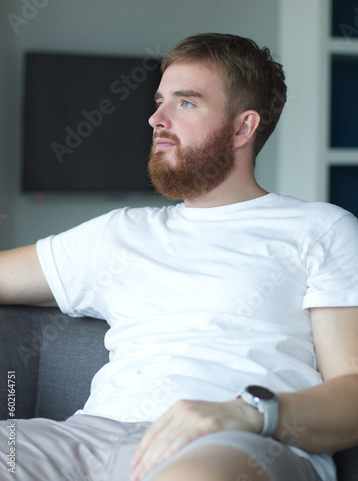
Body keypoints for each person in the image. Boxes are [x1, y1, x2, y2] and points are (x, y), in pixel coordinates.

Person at [1, 32, 358, 481]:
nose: (155, 118)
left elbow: (353, 391)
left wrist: (246, 413)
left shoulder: (320, 229)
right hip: (84, 440)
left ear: (242, 127)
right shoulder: (119, 232)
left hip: (234, 445)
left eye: (185, 103)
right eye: (159, 101)